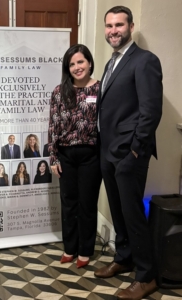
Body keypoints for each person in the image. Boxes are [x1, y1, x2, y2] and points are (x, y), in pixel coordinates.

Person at [94, 6, 163, 300]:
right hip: (107, 150)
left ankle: (146, 277)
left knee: (134, 214)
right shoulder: (111, 63)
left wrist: (135, 152)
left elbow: (150, 112)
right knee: (119, 212)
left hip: (128, 155)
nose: (113, 30)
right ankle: (124, 258)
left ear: (131, 26)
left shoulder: (145, 60)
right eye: (109, 25)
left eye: (119, 24)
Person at [48, 44, 102, 269]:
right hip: (65, 154)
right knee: (68, 203)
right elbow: (52, 124)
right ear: (67, 68)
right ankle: (70, 247)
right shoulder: (60, 91)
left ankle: (86, 250)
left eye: (81, 62)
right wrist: (53, 157)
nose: (77, 67)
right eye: (72, 64)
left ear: (89, 62)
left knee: (87, 204)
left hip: (92, 155)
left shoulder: (101, 89)